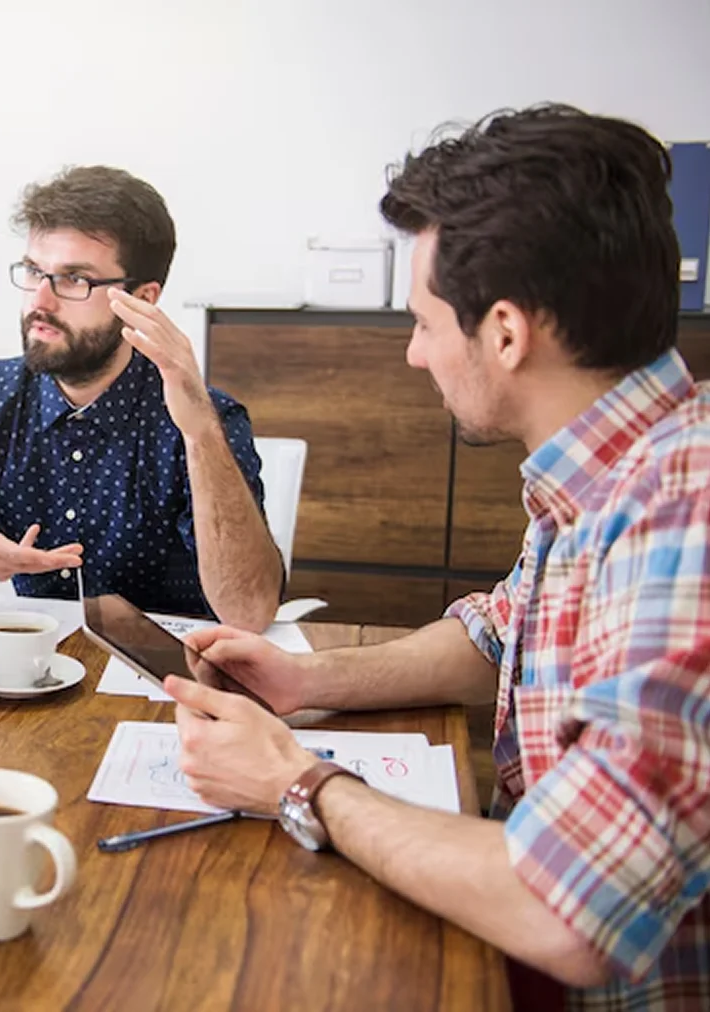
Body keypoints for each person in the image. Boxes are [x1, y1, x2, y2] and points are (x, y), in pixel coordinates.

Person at [166, 106, 708, 1010]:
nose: (415, 354)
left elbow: (569, 909)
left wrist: (297, 783)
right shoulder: (610, 466)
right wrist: (310, 683)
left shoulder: (680, 513)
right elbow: (498, 641)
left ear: (505, 333)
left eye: (423, 322)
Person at [0, 166, 283, 630]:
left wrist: (200, 434)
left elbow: (249, 612)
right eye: (32, 271)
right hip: (35, 669)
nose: (41, 301)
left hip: (167, 678)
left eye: (75, 280)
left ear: (142, 298)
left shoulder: (204, 415)